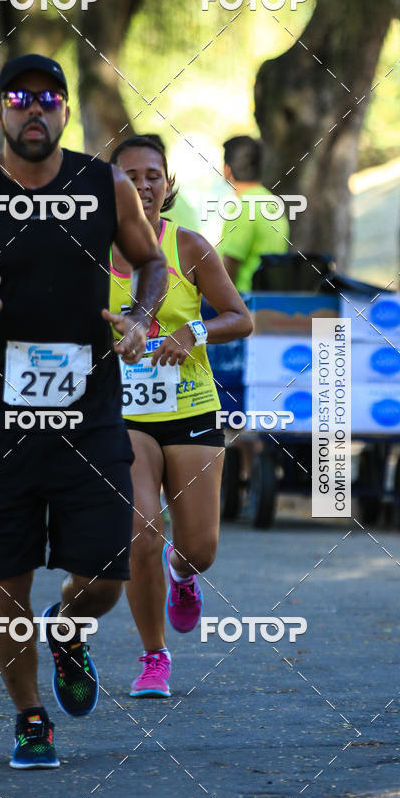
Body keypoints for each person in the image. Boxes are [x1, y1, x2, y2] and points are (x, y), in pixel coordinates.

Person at [0, 54, 168, 769]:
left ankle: (66, 629)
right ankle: (30, 719)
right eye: (19, 98)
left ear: (67, 111)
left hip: (88, 404)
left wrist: (138, 314)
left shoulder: (103, 184)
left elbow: (151, 262)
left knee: (106, 569)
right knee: (4, 573)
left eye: (49, 99)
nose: (34, 110)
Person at [108, 136, 252, 697]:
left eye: (153, 175)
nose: (143, 185)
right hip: (123, 416)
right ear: (111, 186)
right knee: (142, 530)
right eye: (130, 175)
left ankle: (182, 572)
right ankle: (153, 655)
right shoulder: (87, 252)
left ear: (167, 185)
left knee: (200, 548)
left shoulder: (188, 246)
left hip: (191, 407)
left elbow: (240, 318)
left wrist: (192, 331)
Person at [219, 136, 289, 292]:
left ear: (227, 169)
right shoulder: (273, 203)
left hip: (243, 304)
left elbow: (228, 269)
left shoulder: (243, 207)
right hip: (267, 301)